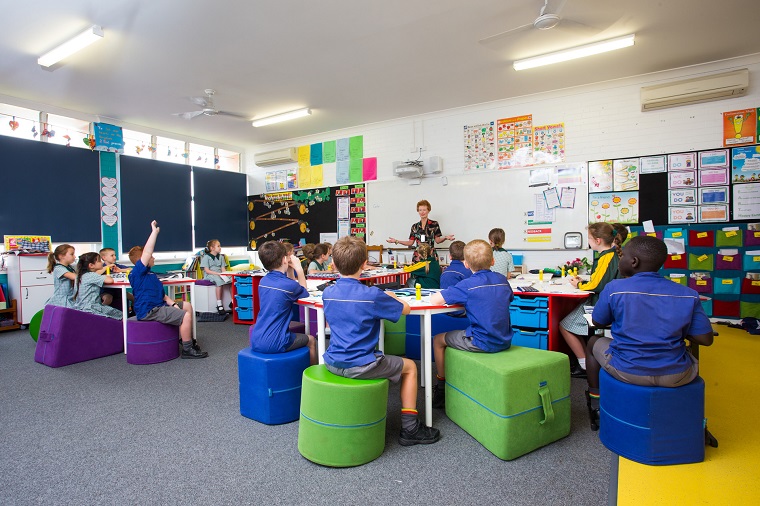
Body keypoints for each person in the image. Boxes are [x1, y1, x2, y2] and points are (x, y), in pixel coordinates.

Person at [322, 236, 440, 446]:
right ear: (364, 264)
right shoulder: (372, 295)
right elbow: (406, 309)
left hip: (332, 362)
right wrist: (393, 298)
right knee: (411, 367)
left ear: (333, 264)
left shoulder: (328, 293)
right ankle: (410, 428)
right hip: (359, 365)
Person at [585, 236, 714, 427]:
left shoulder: (615, 289)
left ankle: (595, 397)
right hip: (676, 375)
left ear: (633, 262)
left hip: (627, 369)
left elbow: (597, 321)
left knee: (593, 342)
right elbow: (705, 338)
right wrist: (672, 325)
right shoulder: (688, 293)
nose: (619, 259)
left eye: (622, 256)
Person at [429, 239, 514, 409]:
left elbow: (435, 300)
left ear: (466, 264)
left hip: (481, 342)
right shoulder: (502, 280)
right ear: (493, 261)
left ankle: (441, 387)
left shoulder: (467, 285)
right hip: (504, 339)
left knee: (438, 340)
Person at [128, 221, 208, 359]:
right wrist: (154, 232)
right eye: (151, 256)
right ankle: (187, 350)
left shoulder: (151, 275)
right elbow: (147, 251)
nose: (153, 257)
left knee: (187, 306)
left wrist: (175, 305)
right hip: (149, 311)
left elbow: (164, 297)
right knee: (185, 316)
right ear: (143, 260)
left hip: (159, 305)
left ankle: (187, 340)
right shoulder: (137, 273)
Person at [560, 222, 627, 379]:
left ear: (597, 240)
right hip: (606, 303)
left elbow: (597, 284)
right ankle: (583, 361)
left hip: (599, 305)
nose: (588, 241)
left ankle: (584, 364)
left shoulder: (607, 257)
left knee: (565, 325)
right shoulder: (612, 254)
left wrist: (579, 284)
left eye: (589, 238)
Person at [249, 241, 317, 364]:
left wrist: (290, 269)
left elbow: (291, 286)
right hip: (275, 342)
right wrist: (299, 269)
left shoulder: (264, 281)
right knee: (311, 340)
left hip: (256, 338)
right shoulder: (288, 285)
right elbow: (304, 292)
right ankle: (313, 376)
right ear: (284, 259)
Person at [72, 252, 123, 320]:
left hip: (80, 307)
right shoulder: (91, 275)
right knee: (121, 314)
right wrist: (105, 274)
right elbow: (110, 280)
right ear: (91, 265)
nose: (102, 262)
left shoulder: (79, 276)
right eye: (99, 261)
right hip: (91, 308)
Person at [387, 199, 455, 249]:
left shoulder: (434, 224)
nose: (422, 212)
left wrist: (445, 238)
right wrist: (396, 241)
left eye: (424, 210)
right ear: (418, 211)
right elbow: (410, 242)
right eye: (420, 210)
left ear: (428, 210)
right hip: (418, 256)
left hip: (430, 255)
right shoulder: (414, 226)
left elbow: (437, 241)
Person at [201, 239, 232, 315]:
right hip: (210, 274)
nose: (220, 247)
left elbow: (223, 269)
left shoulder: (221, 257)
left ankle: (233, 301)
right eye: (218, 246)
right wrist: (218, 274)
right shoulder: (206, 257)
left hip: (220, 274)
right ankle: (219, 304)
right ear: (212, 248)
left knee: (232, 280)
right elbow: (207, 271)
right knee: (219, 281)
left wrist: (227, 275)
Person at [45, 244, 77, 308]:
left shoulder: (70, 267)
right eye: (72, 254)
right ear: (61, 256)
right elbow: (74, 277)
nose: (75, 256)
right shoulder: (58, 268)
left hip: (70, 299)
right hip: (61, 301)